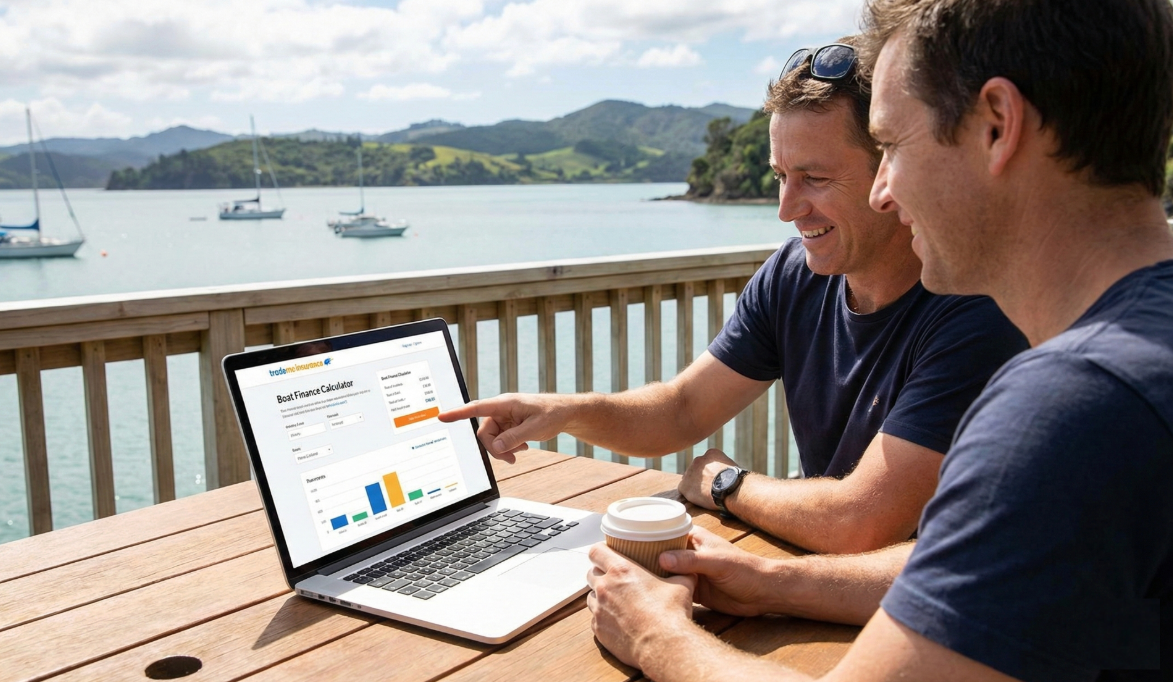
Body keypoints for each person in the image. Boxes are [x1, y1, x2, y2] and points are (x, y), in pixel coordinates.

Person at [584, 0, 1173, 680]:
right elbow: (983, 564)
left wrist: (656, 634)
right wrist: (772, 580)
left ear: (997, 126)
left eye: (891, 145)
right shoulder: (1139, 356)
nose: (885, 192)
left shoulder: (1076, 408)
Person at [439, 36, 1026, 555]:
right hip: (821, 578)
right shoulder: (794, 276)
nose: (786, 208)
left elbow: (862, 523)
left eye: (815, 178)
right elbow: (683, 410)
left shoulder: (974, 305)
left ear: (889, 171)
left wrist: (727, 484)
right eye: (780, 175)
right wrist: (566, 412)